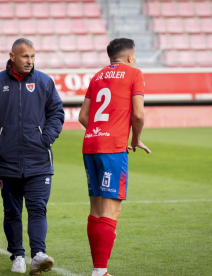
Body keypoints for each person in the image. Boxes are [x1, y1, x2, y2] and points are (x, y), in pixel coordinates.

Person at [0, 38, 64, 275]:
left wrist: (45, 138)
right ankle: (17, 255)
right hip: (7, 160)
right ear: (12, 56)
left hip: (39, 160)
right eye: (25, 56)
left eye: (33, 56)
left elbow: (57, 112)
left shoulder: (44, 81)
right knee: (12, 212)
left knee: (37, 209)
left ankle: (38, 254)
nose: (30, 61)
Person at [78, 38, 151, 276]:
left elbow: (83, 116)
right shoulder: (134, 73)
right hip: (112, 148)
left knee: (96, 210)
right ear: (130, 57)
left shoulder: (97, 76)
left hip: (91, 144)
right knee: (110, 211)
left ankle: (98, 269)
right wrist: (135, 138)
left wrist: (100, 131)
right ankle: (100, 271)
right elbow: (138, 115)